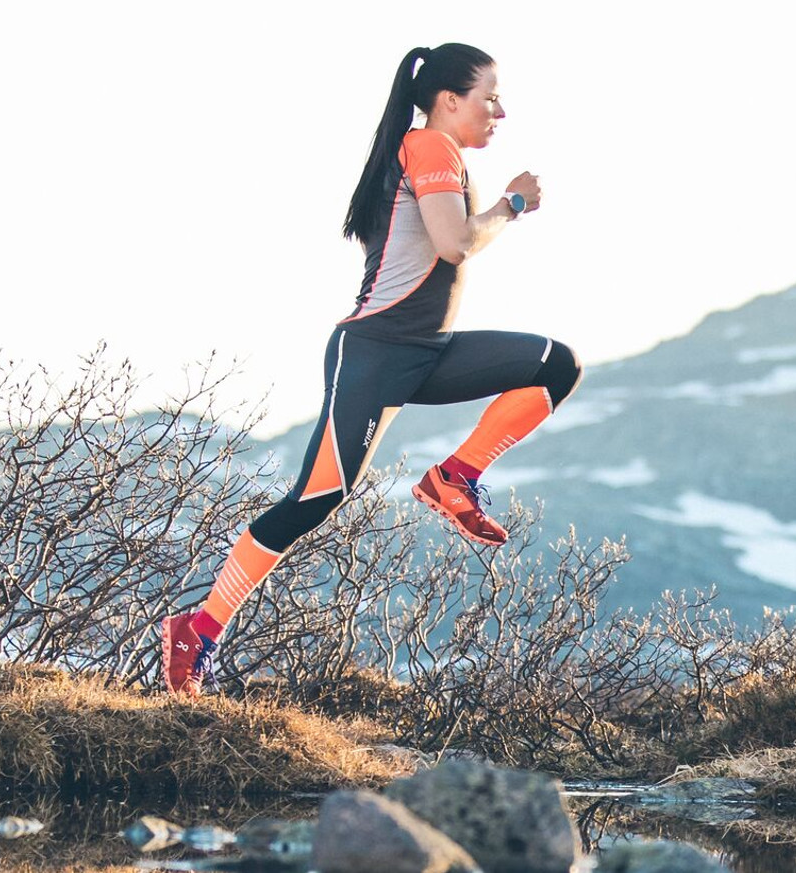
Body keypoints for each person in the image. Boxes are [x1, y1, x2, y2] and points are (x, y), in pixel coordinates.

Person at [160, 43, 582, 696]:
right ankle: (198, 631)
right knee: (317, 499)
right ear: (448, 101)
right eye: (489, 96)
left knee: (555, 365)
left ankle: (454, 478)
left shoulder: (438, 154)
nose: (501, 109)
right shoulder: (430, 147)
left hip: (429, 353)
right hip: (377, 354)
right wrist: (513, 206)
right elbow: (455, 243)